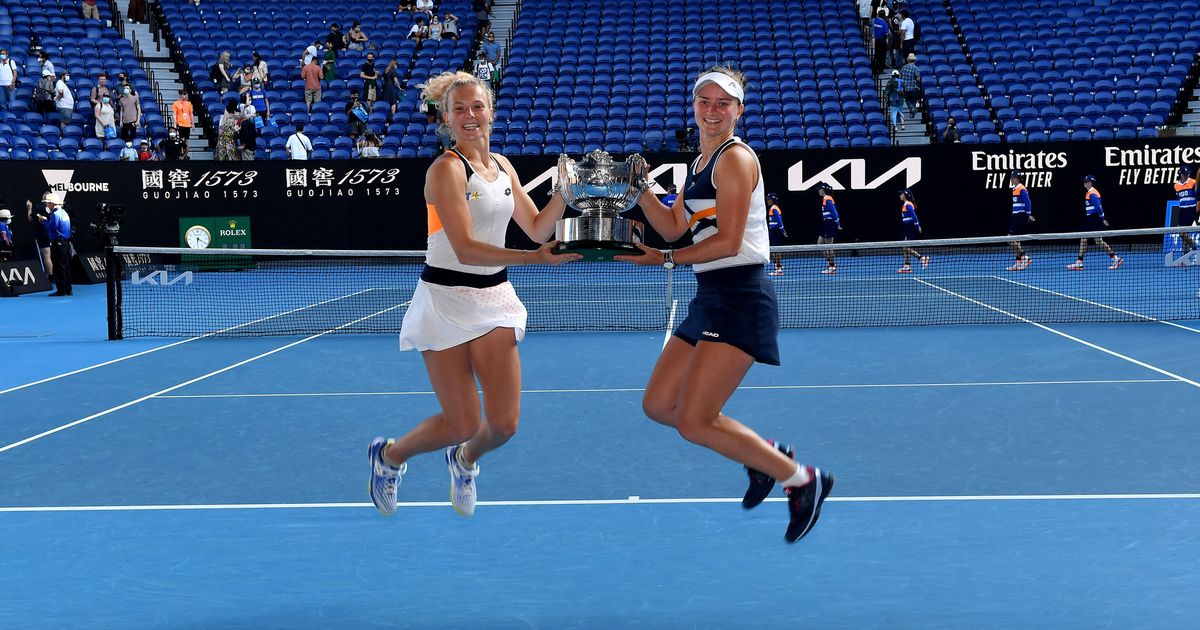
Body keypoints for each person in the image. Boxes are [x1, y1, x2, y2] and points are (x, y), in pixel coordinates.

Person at [613, 67, 834, 544]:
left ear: (739, 109)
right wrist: (642, 188)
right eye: (704, 102)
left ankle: (803, 479)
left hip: (740, 296)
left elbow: (730, 242)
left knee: (693, 421)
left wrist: (663, 259)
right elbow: (674, 226)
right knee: (658, 405)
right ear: (693, 107)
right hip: (710, 295)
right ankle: (761, 455)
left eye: (723, 103)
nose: (712, 111)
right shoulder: (698, 164)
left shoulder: (735, 160)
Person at [367, 70, 579, 519]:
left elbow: (538, 226)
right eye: (459, 109)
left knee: (503, 425)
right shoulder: (444, 169)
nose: (469, 116)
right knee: (461, 421)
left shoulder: (502, 166)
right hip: (443, 300)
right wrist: (535, 259)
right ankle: (389, 458)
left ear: (491, 112)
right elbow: (463, 248)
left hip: (494, 299)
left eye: (477, 107)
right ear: (446, 117)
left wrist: (566, 191)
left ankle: (464, 461)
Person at [1069, 175, 1123, 270]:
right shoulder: (1090, 192)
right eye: (1085, 181)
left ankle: (1116, 259)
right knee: (1085, 239)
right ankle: (1080, 263)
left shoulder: (1092, 193)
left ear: (1090, 183)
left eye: (1086, 181)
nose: (1084, 183)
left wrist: (1102, 218)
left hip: (1094, 219)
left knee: (1096, 241)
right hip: (1091, 219)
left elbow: (1098, 207)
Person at [41, 192, 73, 297]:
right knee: (66, 267)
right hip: (65, 243)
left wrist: (44, 221)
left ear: (52, 203)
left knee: (58, 268)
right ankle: (68, 289)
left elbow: (51, 228)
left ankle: (61, 290)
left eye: (48, 203)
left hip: (58, 244)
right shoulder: (63, 212)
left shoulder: (55, 214)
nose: (47, 205)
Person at [1006, 171, 1034, 271]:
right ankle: (1018, 262)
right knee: (1016, 240)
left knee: (1010, 239)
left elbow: (1028, 202)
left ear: (1017, 178)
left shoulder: (1021, 189)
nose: (1011, 179)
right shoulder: (1015, 189)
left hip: (1020, 216)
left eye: (1013, 177)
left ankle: (1024, 257)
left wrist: (1028, 215)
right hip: (1016, 216)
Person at [897, 189, 928, 273]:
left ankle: (921, 258)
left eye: (901, 194)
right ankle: (907, 266)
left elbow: (913, 215)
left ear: (905, 195)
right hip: (907, 227)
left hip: (910, 227)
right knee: (905, 247)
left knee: (905, 247)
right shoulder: (905, 204)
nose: (900, 196)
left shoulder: (908, 204)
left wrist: (918, 226)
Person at [1172, 164, 1198, 255]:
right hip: (1182, 210)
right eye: (1185, 174)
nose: (1187, 175)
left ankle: (1186, 251)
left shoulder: (1194, 182)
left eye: (1188, 173)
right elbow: (1179, 198)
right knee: (1182, 232)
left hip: (1193, 209)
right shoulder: (1176, 186)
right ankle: (1191, 246)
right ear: (1181, 174)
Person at [815, 183, 840, 275]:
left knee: (829, 246)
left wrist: (837, 222)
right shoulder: (825, 199)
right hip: (825, 223)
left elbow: (834, 211)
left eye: (819, 189)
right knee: (820, 244)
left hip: (830, 223)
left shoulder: (828, 199)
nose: (818, 191)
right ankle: (830, 264)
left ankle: (832, 267)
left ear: (823, 190)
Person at [25, 199, 52, 280]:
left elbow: (30, 218)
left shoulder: (40, 208)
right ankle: (53, 275)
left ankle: (50, 276)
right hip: (53, 234)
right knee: (50, 256)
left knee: (46, 256)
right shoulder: (54, 210)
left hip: (43, 234)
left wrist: (29, 208)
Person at [765, 192, 787, 276]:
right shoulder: (773, 208)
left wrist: (782, 230)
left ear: (773, 200)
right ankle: (778, 265)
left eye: (769, 199)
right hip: (774, 230)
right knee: (775, 249)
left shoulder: (774, 208)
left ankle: (778, 269)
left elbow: (779, 220)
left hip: (775, 231)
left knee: (775, 249)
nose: (768, 201)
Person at [0, 49, 17, 114]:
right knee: (2, 103)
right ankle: (5, 117)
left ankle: (12, 115)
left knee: (12, 102)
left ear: (7, 55)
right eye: (1, 54)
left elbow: (15, 73)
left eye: (3, 54)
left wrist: (12, 83)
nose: (2, 55)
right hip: (1, 85)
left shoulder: (11, 62)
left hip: (10, 85)